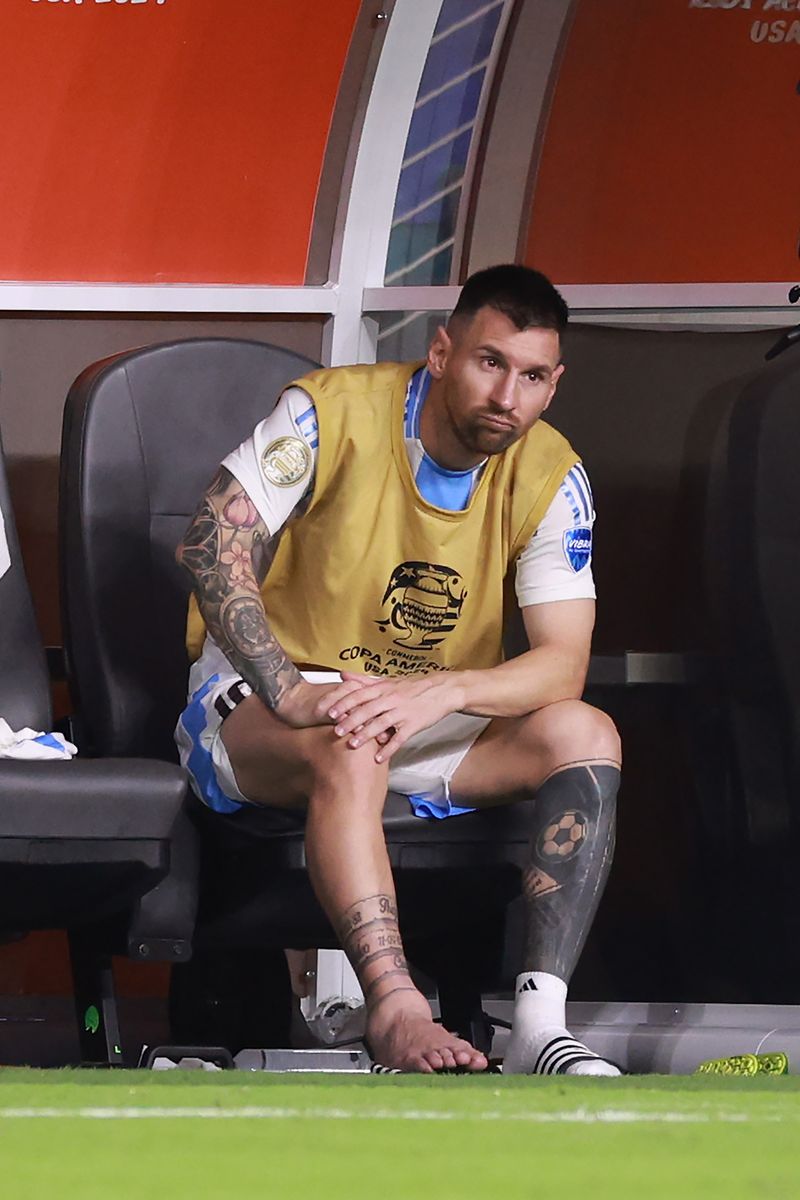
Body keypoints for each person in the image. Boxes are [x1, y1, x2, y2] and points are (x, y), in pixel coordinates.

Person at [175, 264, 621, 1075]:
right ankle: (395, 1006)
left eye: (530, 377)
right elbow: (212, 542)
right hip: (274, 699)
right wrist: (292, 690)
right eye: (490, 363)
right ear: (442, 352)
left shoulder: (553, 472)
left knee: (585, 733)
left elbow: (564, 664)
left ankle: (537, 1024)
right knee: (351, 740)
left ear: (554, 385)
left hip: (419, 708)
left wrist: (443, 691)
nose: (506, 397)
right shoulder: (326, 410)